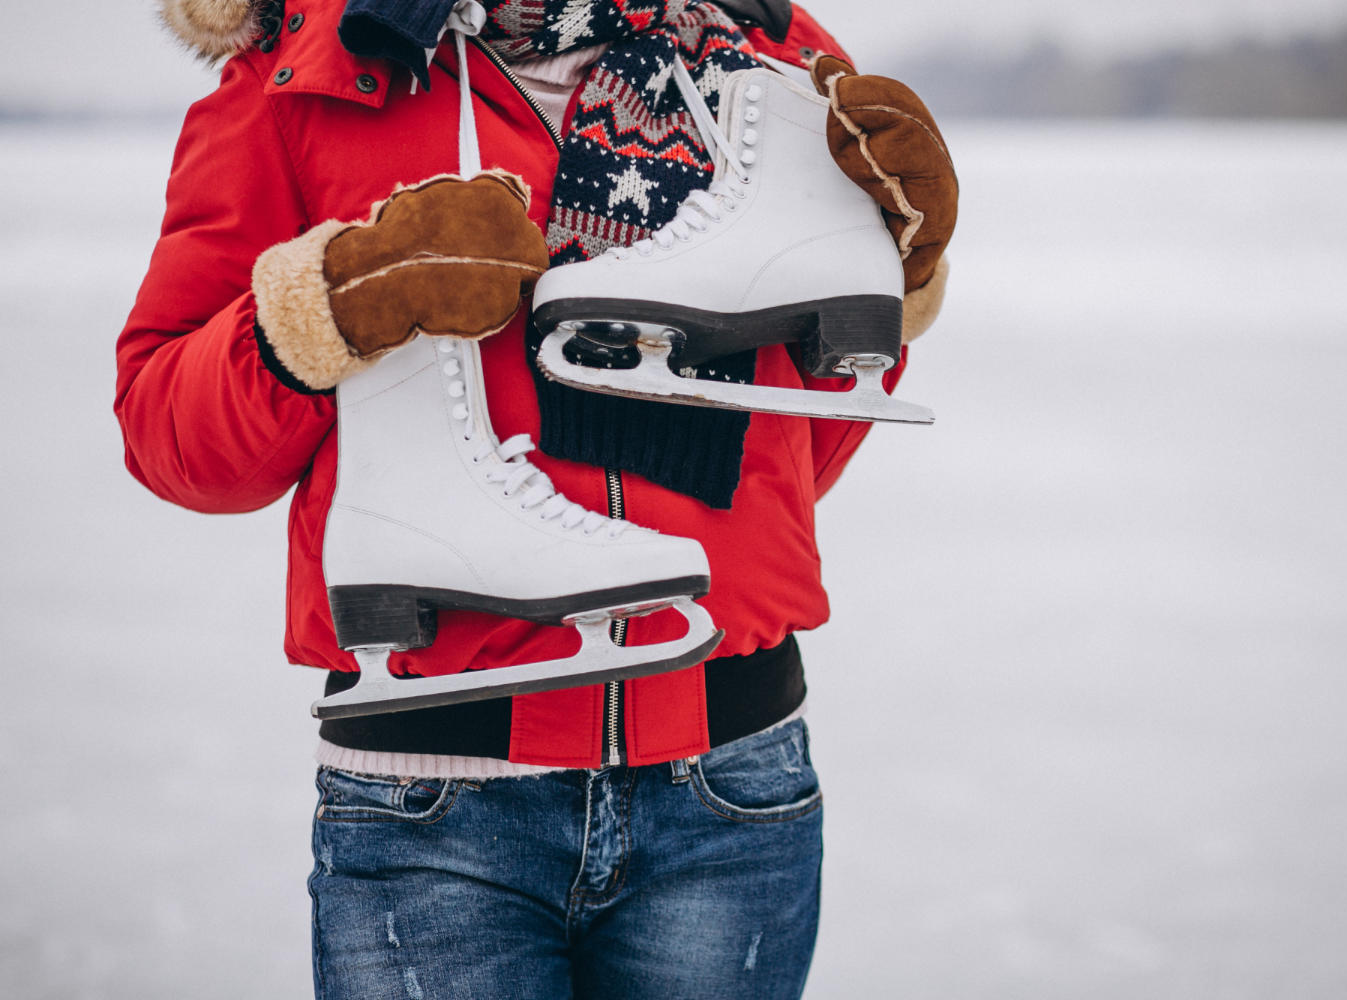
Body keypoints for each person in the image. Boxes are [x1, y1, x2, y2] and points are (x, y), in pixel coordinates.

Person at [118, 0, 956, 995]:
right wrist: (327, 307)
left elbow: (796, 458)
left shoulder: (772, 60)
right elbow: (170, 433)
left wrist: (884, 281)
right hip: (434, 800)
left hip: (730, 788)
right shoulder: (308, 75)